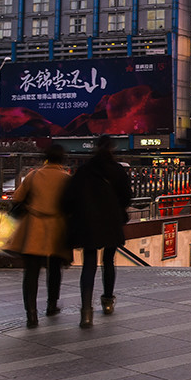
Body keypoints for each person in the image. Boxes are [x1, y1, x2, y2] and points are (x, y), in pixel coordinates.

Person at [62, 135, 132, 328]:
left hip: (87, 222)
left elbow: (69, 198)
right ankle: (108, 301)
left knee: (89, 264)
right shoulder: (117, 171)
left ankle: (86, 312)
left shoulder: (84, 171)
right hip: (111, 221)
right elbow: (127, 197)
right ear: (113, 149)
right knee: (109, 260)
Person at [7, 144, 71, 328]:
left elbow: (17, 198)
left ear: (46, 157)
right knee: (55, 269)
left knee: (31, 273)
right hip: (57, 229)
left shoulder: (33, 176)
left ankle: (32, 314)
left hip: (33, 229)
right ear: (62, 159)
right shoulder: (66, 179)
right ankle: (52, 304)